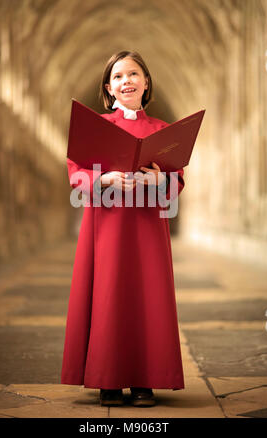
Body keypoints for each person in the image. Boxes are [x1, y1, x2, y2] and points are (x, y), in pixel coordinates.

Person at [61, 51, 185, 407]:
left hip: (147, 226)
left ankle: (144, 380)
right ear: (108, 88)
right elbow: (75, 174)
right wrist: (104, 178)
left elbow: (177, 183)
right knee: (108, 292)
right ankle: (108, 379)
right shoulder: (96, 127)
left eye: (134, 74)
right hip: (107, 226)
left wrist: (162, 180)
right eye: (118, 76)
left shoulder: (164, 131)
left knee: (147, 294)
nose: (126, 81)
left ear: (146, 83)